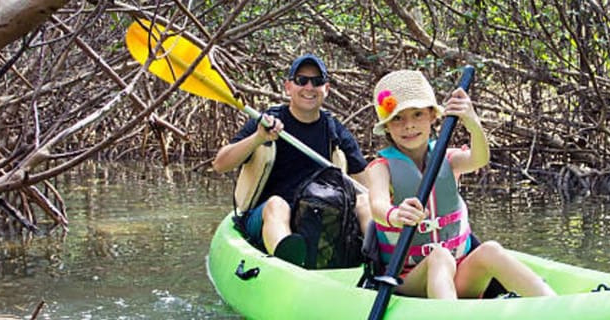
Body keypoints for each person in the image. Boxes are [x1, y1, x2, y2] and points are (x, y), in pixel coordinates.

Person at [366, 69, 556, 299]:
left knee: (491, 250)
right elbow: (377, 206)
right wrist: (395, 215)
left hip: (458, 272)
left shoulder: (447, 158)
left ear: (432, 116)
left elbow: (479, 159)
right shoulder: (381, 167)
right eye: (397, 118)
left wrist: (473, 124)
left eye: (417, 114)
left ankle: (556, 306)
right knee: (439, 256)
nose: (409, 125)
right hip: (408, 279)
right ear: (386, 126)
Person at [213, 53, 370, 267]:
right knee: (277, 205)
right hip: (268, 216)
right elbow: (220, 164)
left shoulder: (335, 131)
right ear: (288, 87)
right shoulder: (267, 122)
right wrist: (258, 138)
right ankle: (288, 264)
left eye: (317, 82)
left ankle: (380, 260)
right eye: (301, 80)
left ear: (326, 89)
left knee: (364, 202)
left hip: (318, 215)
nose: (309, 87)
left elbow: (366, 185)